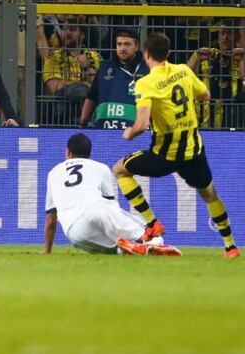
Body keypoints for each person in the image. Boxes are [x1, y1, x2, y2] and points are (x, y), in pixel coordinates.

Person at [112, 32, 239, 258]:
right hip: (193, 151)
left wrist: (128, 133)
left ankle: (152, 223)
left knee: (120, 170)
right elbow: (206, 95)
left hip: (164, 155)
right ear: (168, 53)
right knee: (210, 194)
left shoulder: (146, 83)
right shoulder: (183, 70)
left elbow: (141, 124)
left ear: (146, 54)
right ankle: (230, 247)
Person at [44, 133, 182, 256]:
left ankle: (136, 249)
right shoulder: (100, 167)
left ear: (68, 152)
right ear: (89, 153)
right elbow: (110, 207)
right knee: (135, 226)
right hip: (96, 209)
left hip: (73, 230)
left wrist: (47, 252)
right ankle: (154, 241)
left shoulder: (53, 173)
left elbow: (51, 219)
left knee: (115, 250)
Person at [79, 28, 149, 129]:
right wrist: (82, 123)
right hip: (105, 132)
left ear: (136, 46)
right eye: (119, 44)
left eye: (127, 44)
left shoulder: (147, 69)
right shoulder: (104, 67)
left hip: (137, 133)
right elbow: (91, 97)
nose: (122, 48)